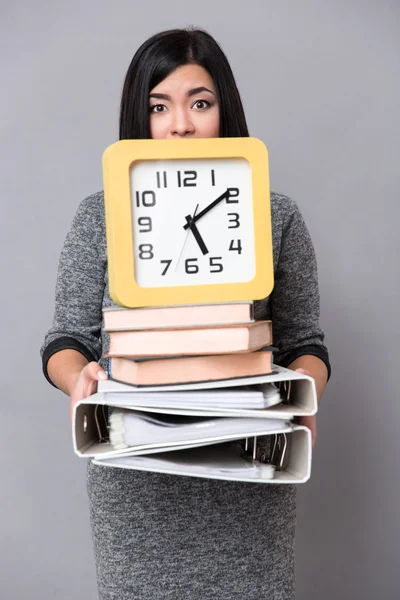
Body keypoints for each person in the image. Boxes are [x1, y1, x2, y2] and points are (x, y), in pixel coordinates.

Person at [41, 27, 330, 600]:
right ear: (138, 117)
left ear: (225, 110)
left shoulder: (277, 216)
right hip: (137, 481)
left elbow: (306, 343)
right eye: (159, 106)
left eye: (200, 102)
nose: (180, 124)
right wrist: (79, 377)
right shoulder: (99, 216)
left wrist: (304, 393)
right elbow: (66, 338)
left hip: (250, 474)